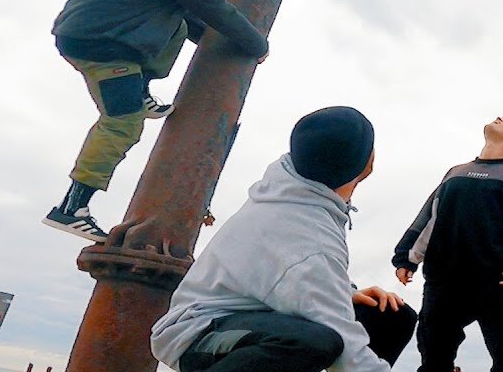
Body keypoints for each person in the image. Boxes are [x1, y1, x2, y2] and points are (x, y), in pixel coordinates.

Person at [44, 0, 270, 242]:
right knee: (123, 123)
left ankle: (142, 90)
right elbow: (215, 9)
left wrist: (231, 44)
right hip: (102, 48)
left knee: (176, 25)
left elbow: (195, 21)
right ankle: (70, 208)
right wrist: (257, 45)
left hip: (92, 36)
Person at [151, 106, 417, 372]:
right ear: (366, 164)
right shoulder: (307, 241)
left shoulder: (295, 188)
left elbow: (287, 273)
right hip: (196, 334)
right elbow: (346, 348)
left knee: (391, 317)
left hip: (248, 312)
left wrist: (345, 293)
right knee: (315, 342)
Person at [392, 116, 503, 372]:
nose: (498, 117)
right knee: (433, 356)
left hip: (498, 284)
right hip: (443, 282)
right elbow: (429, 216)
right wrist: (407, 257)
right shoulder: (456, 173)